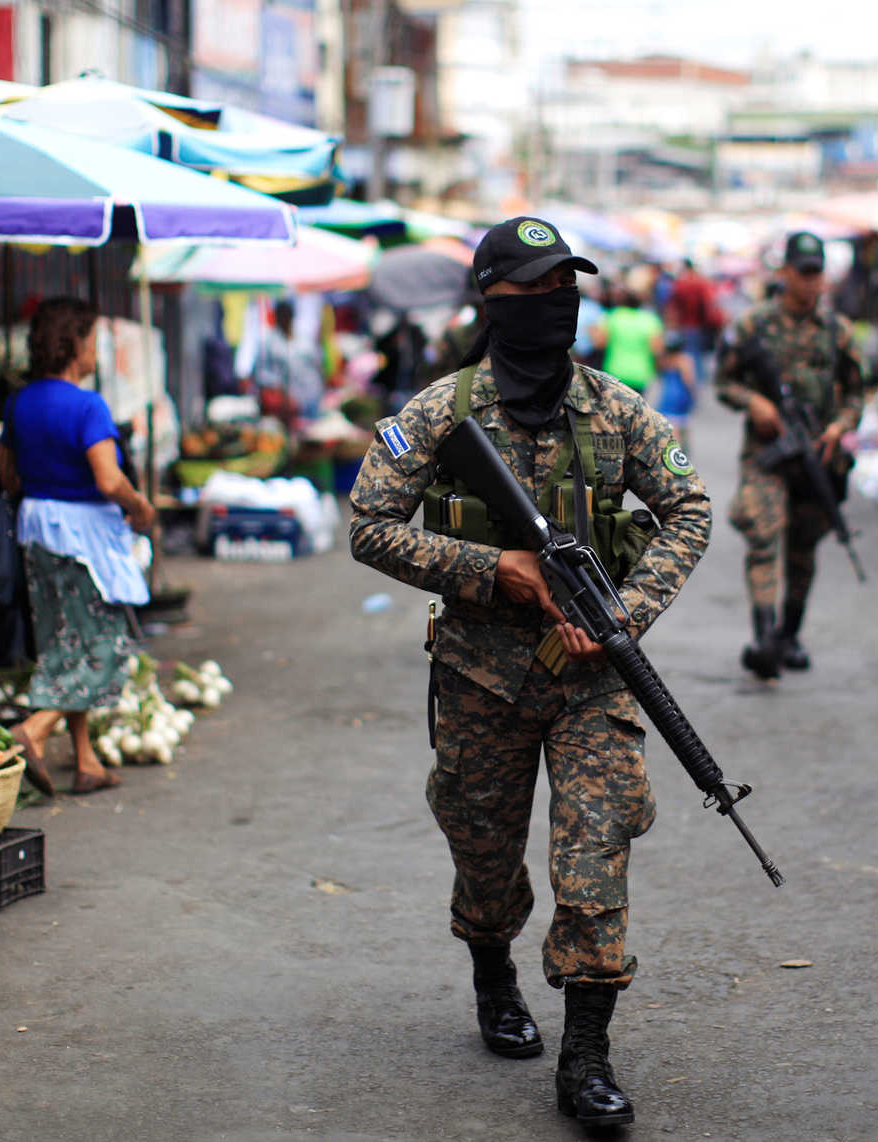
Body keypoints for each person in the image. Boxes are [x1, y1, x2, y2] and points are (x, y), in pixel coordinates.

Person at [349, 217, 710, 1130]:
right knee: (484, 855)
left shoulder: (619, 411)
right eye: (536, 292)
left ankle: (586, 1056)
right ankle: (493, 972)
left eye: (567, 290)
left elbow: (689, 511)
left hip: (592, 677)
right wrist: (489, 570)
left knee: (595, 855)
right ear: (492, 301)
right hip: (480, 676)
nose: (557, 307)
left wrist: (624, 613)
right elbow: (369, 526)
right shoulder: (439, 414)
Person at [0, 298, 155, 796]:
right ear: (74, 344)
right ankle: (35, 730)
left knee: (62, 642)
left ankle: (86, 761)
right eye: (91, 340)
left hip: (37, 531)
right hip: (83, 539)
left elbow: (7, 473)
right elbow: (109, 479)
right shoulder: (87, 405)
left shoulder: (20, 401)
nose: (96, 351)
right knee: (105, 647)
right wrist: (141, 507)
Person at [713, 231, 865, 680]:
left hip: (817, 454)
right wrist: (753, 403)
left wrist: (840, 425)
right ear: (785, 273)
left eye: (817, 272)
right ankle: (764, 637)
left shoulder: (838, 331)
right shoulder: (753, 325)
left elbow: (858, 393)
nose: (810, 281)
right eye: (803, 272)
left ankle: (789, 635)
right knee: (763, 534)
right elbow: (724, 382)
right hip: (767, 453)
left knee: (803, 546)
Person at [665, 259, 722, 384]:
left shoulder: (680, 284)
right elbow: (709, 304)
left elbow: (673, 306)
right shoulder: (700, 283)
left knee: (690, 355)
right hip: (698, 326)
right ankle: (695, 383)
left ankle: (692, 382)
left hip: (686, 325)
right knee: (695, 355)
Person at [598, 287, 665, 393]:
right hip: (641, 373)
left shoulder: (612, 317)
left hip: (615, 370)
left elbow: (600, 343)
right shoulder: (650, 320)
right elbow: (657, 349)